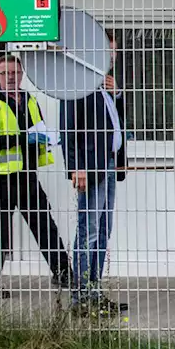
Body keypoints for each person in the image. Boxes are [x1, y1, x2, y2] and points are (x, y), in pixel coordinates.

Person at [0, 54, 72, 298]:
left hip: (27, 175)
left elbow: (37, 128)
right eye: (5, 73)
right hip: (1, 178)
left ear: (22, 75)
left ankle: (63, 273)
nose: (10, 78)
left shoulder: (28, 100)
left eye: (15, 73)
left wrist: (47, 138)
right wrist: (22, 138)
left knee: (44, 225)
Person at [60, 28, 128, 317]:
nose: (111, 57)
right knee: (88, 232)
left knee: (102, 230)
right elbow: (68, 128)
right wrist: (76, 167)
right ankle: (80, 298)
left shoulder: (103, 85)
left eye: (114, 52)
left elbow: (114, 125)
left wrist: (118, 95)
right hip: (90, 168)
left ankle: (94, 291)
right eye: (107, 50)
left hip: (109, 165)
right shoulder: (79, 82)